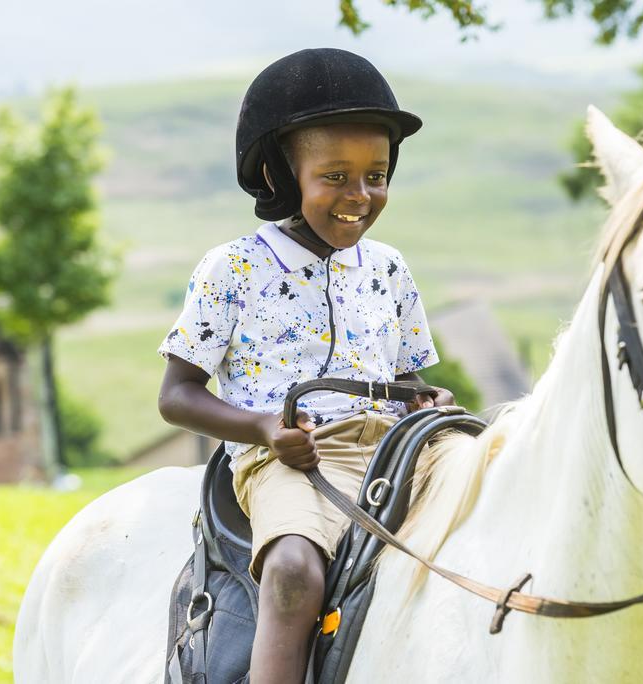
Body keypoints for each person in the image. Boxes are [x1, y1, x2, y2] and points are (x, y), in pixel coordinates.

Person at [156, 48, 455, 684]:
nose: (361, 195)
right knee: (294, 566)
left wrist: (422, 403)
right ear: (284, 179)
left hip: (395, 451)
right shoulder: (233, 269)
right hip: (295, 458)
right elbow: (176, 396)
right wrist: (265, 430)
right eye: (336, 177)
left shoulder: (389, 269)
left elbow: (406, 379)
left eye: (376, 175)